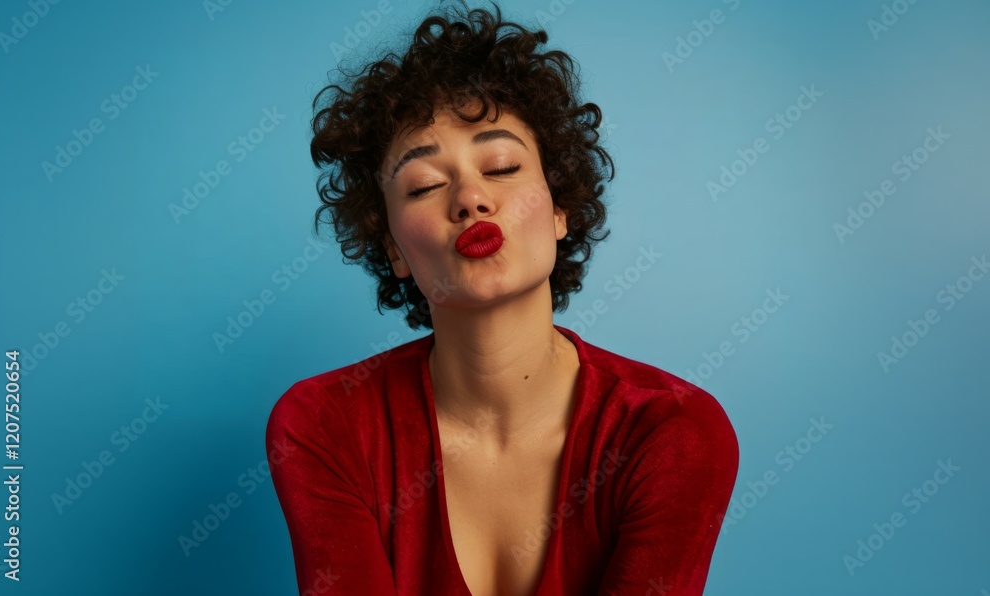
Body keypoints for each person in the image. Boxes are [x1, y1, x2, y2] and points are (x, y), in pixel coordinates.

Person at [266, 2, 739, 594]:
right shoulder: (323, 425)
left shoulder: (672, 432)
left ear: (561, 207)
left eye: (502, 165)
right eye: (425, 184)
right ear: (392, 248)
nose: (469, 198)